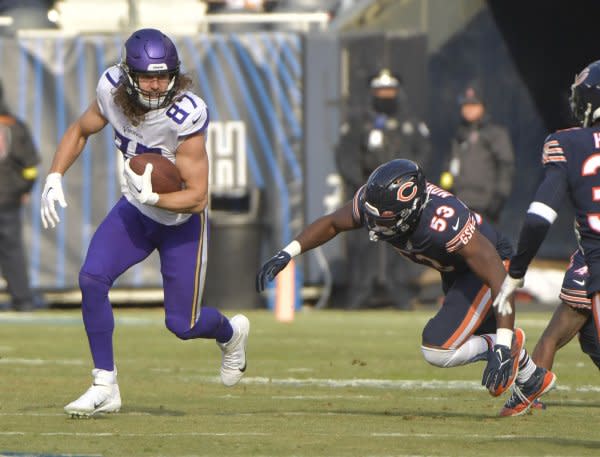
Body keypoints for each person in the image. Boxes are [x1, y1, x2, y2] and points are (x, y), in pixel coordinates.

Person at [40, 28, 250, 417]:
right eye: (147, 77)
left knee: (182, 325)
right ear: (128, 74)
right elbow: (81, 130)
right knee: (91, 279)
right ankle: (105, 383)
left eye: (163, 76)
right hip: (135, 212)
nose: (155, 85)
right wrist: (55, 175)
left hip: (180, 222)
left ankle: (231, 333)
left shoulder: (186, 114)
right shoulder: (110, 89)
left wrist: (155, 196)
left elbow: (198, 196)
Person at [257, 158, 556, 417]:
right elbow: (334, 223)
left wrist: (501, 344)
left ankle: (505, 347)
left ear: (412, 208)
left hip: (490, 266)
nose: (375, 226)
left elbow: (498, 278)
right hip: (456, 270)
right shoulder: (378, 202)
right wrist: (289, 251)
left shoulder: (443, 221)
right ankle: (531, 381)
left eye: (384, 220)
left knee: (438, 348)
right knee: (487, 366)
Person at [493, 60, 600, 412]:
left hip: (594, 258)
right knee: (583, 333)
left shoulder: (569, 143)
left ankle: (525, 396)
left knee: (557, 331)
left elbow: (539, 217)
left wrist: (517, 271)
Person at [335, 69, 431, 309]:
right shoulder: (360, 122)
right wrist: (363, 184)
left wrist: (408, 183)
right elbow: (345, 156)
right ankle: (360, 291)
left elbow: (423, 153)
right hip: (368, 193)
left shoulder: (410, 122)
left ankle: (400, 291)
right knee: (363, 244)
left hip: (402, 197)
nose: (385, 95)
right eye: (381, 91)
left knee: (401, 242)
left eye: (390, 91)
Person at [439, 81, 515, 225]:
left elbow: (505, 167)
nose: (469, 109)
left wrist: (499, 198)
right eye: (465, 105)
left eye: (473, 105)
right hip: (458, 205)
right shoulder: (458, 135)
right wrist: (445, 192)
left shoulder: (495, 134)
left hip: (484, 206)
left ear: (483, 107)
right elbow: (448, 167)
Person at [0, 80, 40, 311]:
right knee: (13, 252)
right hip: (9, 199)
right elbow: (30, 166)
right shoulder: (15, 126)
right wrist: (25, 189)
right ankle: (22, 300)